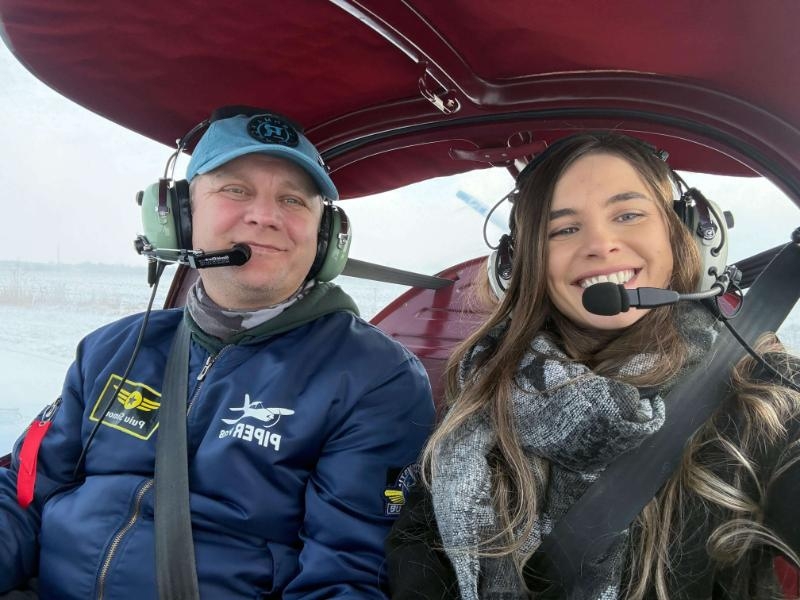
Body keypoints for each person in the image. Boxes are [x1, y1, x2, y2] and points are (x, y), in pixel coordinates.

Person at [0, 108, 435, 599]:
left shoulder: (373, 379)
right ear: (179, 216)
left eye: (293, 199)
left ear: (326, 237)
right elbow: (24, 494)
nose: (265, 216)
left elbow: (345, 576)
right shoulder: (111, 348)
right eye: (236, 190)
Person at [385, 132, 800, 599]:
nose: (601, 244)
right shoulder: (483, 389)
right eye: (563, 229)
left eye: (628, 215)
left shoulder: (764, 392)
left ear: (681, 233)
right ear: (520, 264)